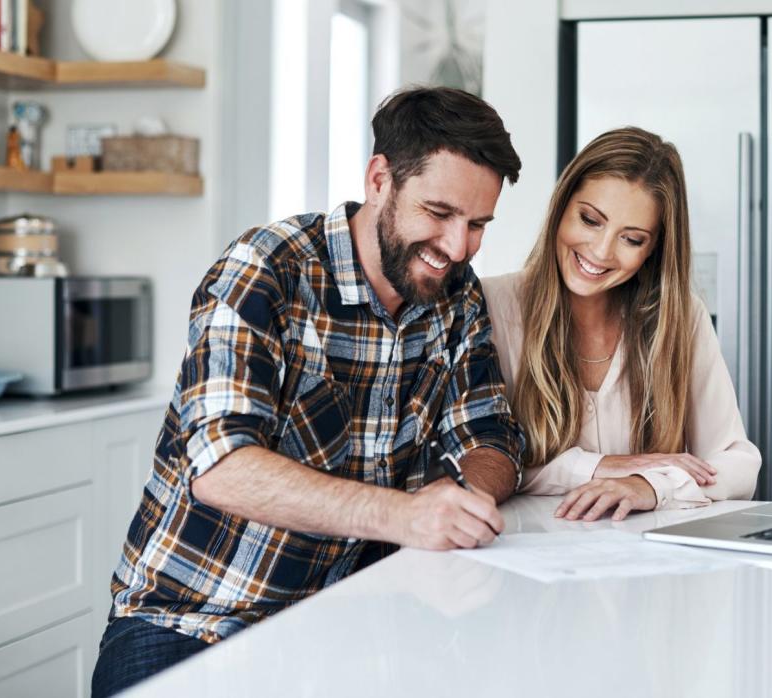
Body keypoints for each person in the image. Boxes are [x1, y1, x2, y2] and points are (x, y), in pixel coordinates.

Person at [91, 86, 526, 697]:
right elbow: (221, 467)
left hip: (353, 620)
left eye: (478, 224)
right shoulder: (266, 269)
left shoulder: (455, 293)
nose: (458, 247)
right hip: (196, 622)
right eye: (440, 212)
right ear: (380, 179)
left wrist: (463, 501)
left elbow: (491, 434)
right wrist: (404, 514)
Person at [481, 127, 760, 522]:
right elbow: (484, 465)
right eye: (590, 220)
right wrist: (602, 466)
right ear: (561, 205)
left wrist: (649, 486)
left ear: (653, 250)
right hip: (523, 561)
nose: (600, 251)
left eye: (631, 239)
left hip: (644, 567)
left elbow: (738, 463)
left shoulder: (680, 318)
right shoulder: (490, 306)